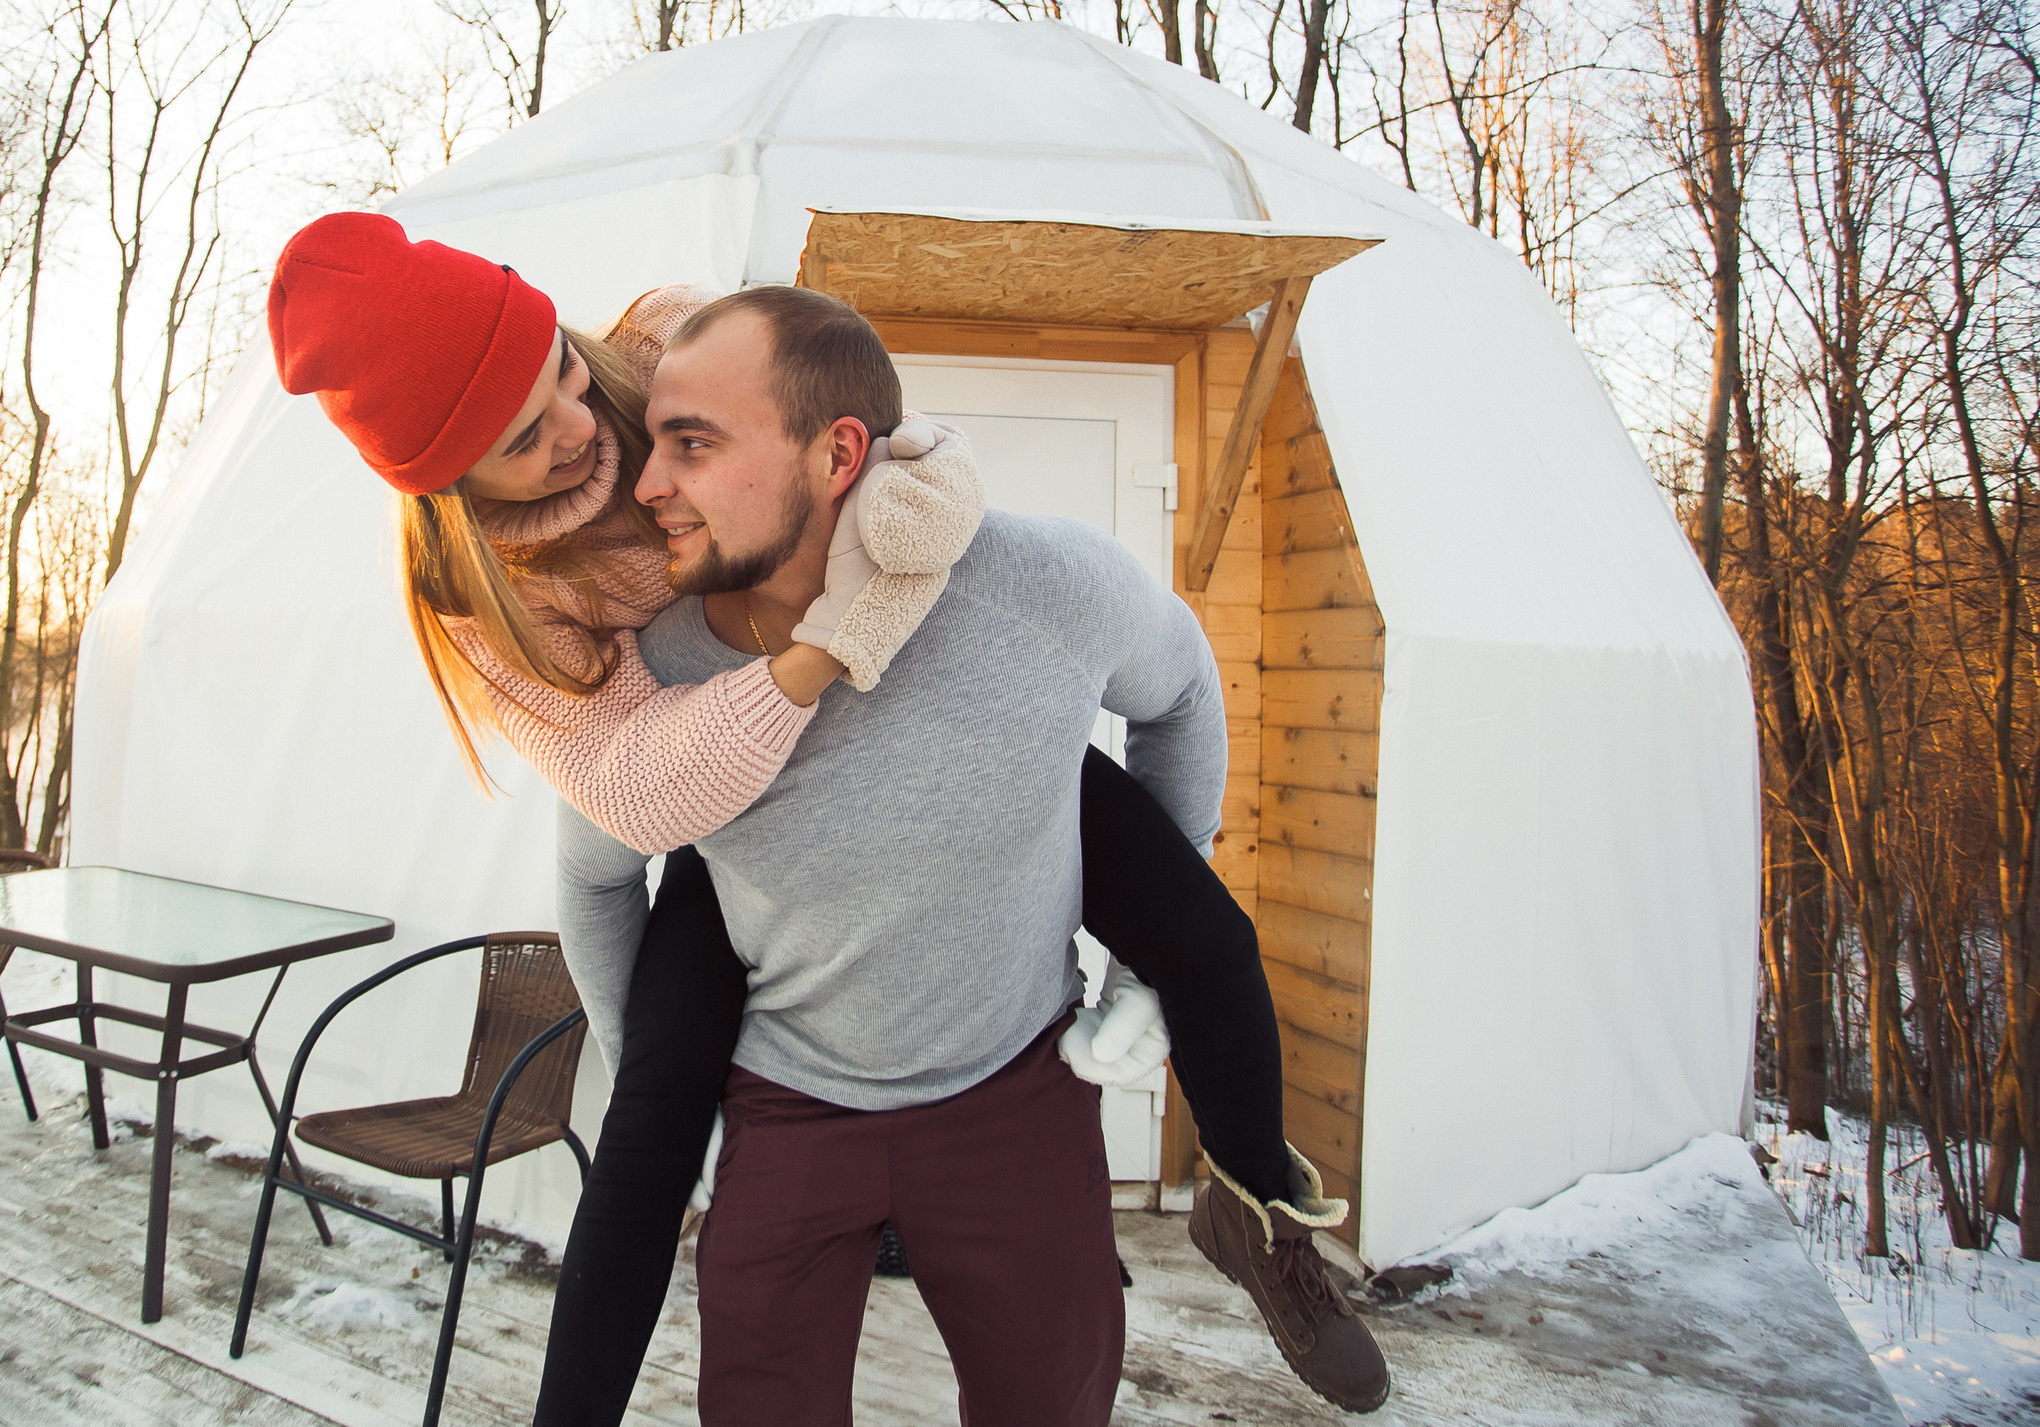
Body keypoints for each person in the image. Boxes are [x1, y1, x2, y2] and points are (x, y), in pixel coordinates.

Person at [266, 214, 1388, 1420]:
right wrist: (823, 646)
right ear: (449, 486)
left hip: (927, 740)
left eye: (562, 375)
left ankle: (1261, 1213)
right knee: (646, 1138)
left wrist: (900, 561)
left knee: (1207, 937)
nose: (586, 432)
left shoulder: (665, 346)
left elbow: (890, 440)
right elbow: (632, 799)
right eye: (523, 440)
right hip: (716, 788)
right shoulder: (483, 597)